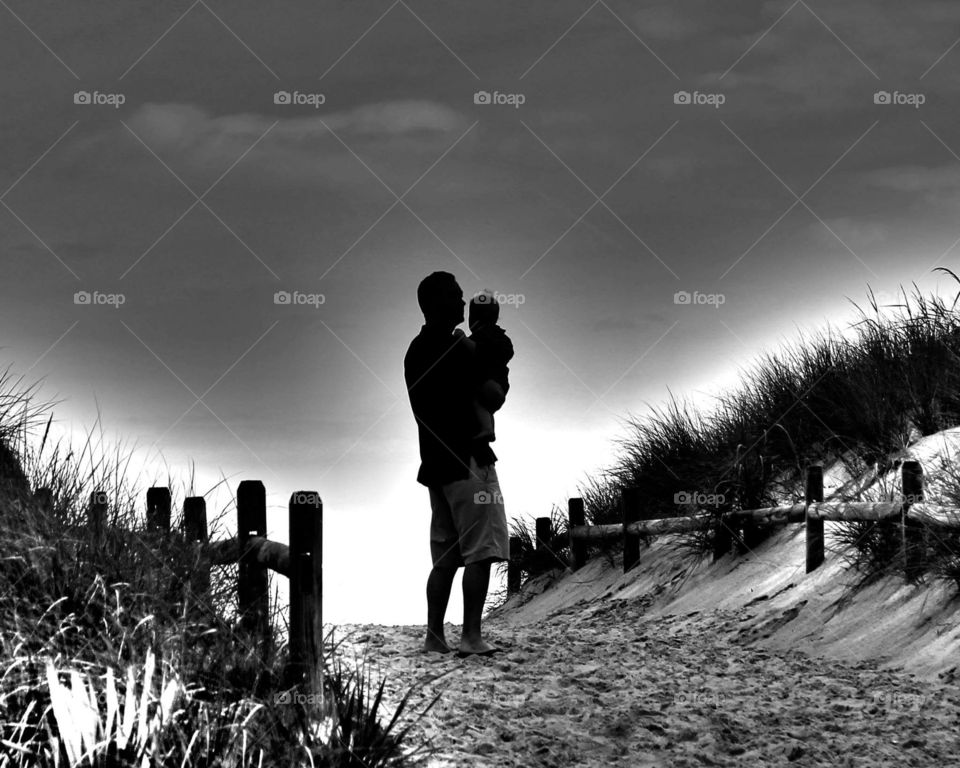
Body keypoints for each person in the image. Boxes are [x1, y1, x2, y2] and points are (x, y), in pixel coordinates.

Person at [403, 271, 510, 657]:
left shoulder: (416, 350)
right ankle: (471, 636)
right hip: (466, 460)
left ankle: (434, 637)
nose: (462, 304)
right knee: (481, 550)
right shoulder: (453, 348)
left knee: (445, 556)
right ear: (436, 303)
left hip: (435, 464)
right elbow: (492, 395)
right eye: (455, 297)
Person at [455, 290, 514, 444]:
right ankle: (488, 430)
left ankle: (487, 429)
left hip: (488, 382)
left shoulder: (485, 336)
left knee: (476, 400)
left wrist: (462, 339)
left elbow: (480, 352)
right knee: (484, 407)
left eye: (472, 315)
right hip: (499, 385)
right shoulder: (501, 337)